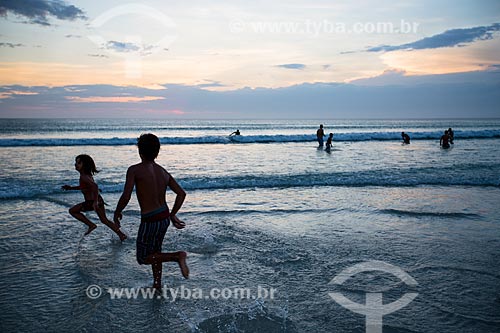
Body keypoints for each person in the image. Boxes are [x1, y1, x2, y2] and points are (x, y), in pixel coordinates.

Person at [114, 133, 189, 290]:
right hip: (163, 217)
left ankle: (177, 256)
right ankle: (157, 284)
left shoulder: (134, 170)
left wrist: (117, 211)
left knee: (143, 257)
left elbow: (126, 196)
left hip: (150, 219)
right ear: (157, 151)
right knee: (156, 251)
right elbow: (181, 194)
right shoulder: (162, 171)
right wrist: (172, 214)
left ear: (139, 151)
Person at [62, 154, 127, 240]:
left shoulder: (84, 176)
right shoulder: (86, 176)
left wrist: (95, 202)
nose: (76, 164)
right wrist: (71, 188)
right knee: (104, 220)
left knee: (72, 210)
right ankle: (121, 235)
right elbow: (85, 187)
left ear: (84, 165)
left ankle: (91, 225)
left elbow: (95, 186)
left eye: (79, 163)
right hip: (97, 200)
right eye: (76, 162)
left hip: (92, 202)